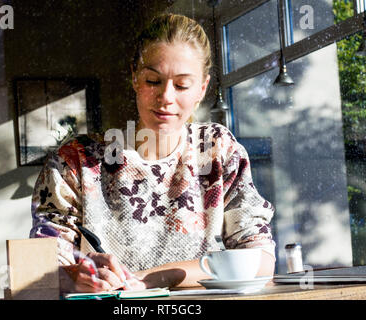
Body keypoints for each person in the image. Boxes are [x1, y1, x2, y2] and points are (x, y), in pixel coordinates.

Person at [30, 13, 276, 293]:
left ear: (202, 88)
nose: (166, 97)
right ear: (134, 77)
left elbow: (261, 260)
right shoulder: (76, 160)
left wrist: (152, 278)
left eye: (182, 85)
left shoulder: (217, 150)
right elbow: (40, 268)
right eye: (152, 81)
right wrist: (73, 275)